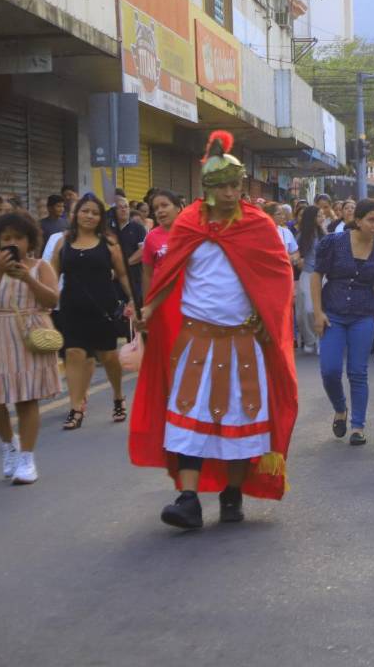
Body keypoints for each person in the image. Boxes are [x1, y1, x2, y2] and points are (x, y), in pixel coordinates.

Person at [130, 131, 298, 529]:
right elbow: (169, 273)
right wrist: (149, 307)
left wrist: (267, 315)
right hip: (196, 339)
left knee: (241, 419)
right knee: (188, 416)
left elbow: (279, 276)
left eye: (235, 185)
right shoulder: (189, 223)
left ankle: (233, 494)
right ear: (207, 187)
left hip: (244, 340)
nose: (230, 192)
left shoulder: (257, 225)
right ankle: (187, 499)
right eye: (222, 186)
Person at [0, 211, 61, 485]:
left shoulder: (40, 267)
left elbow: (52, 298)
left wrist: (29, 279)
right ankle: (8, 444)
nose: (13, 242)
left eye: (19, 238)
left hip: (31, 332)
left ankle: (26, 457)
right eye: (6, 238)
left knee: (27, 398)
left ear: (30, 240)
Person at [311, 199, 374, 445]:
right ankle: (340, 408)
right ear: (357, 221)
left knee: (358, 372)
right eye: (371, 220)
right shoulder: (333, 243)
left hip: (362, 315)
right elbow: (317, 276)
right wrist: (317, 313)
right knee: (330, 370)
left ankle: (358, 426)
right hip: (332, 313)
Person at [52, 194, 135, 430]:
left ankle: (118, 395)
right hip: (71, 308)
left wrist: (132, 300)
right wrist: (43, 302)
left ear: (101, 218)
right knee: (74, 354)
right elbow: (52, 275)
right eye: (85, 211)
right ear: (76, 213)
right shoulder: (63, 242)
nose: (89, 216)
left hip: (103, 309)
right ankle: (76, 407)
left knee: (108, 357)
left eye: (95, 212)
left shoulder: (109, 243)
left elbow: (121, 274)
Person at [295, 205, 325, 355]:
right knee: (307, 309)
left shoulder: (324, 233)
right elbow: (296, 254)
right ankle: (309, 339)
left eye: (322, 215)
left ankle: (320, 339)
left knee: (320, 308)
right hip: (307, 273)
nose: (322, 217)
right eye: (319, 215)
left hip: (323, 275)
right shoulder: (302, 236)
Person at [111, 195, 147, 309]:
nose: (124, 210)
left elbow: (143, 251)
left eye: (126, 207)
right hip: (112, 281)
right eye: (120, 207)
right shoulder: (107, 229)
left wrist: (123, 266)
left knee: (134, 316)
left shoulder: (138, 228)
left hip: (134, 280)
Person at [141, 191, 181, 295]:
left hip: (191, 299)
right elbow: (147, 275)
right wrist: (147, 304)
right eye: (156, 208)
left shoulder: (191, 233)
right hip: (161, 298)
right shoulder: (151, 237)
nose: (160, 211)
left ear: (178, 208)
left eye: (164, 205)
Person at [265, 202, 301, 268]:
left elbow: (296, 252)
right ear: (268, 215)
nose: (283, 216)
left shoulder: (286, 232)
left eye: (283, 214)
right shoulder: (260, 233)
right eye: (279, 214)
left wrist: (291, 258)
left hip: (284, 270)